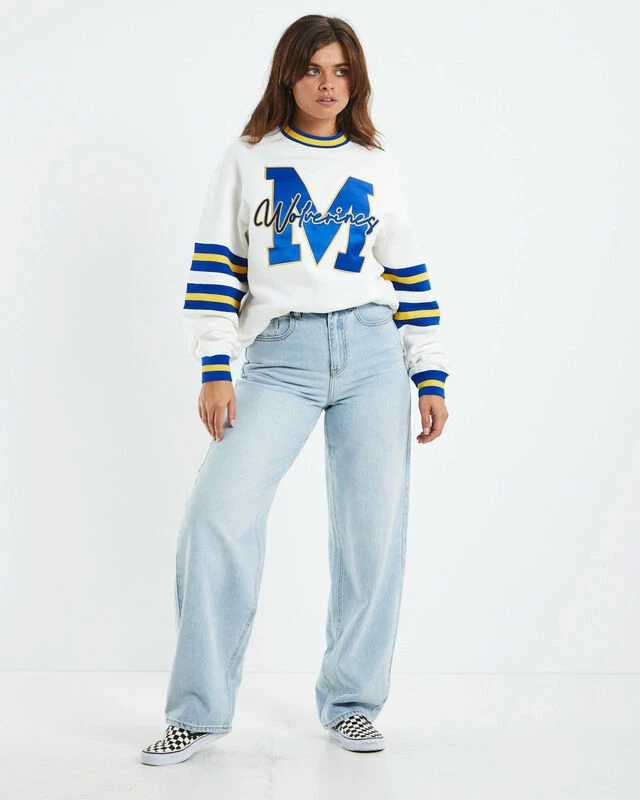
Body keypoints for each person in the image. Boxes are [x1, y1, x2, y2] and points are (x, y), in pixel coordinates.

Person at [139, 13, 451, 766]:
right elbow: (216, 268)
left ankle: (352, 704)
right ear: (288, 75)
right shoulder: (248, 158)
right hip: (280, 355)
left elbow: (410, 273)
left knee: (372, 536)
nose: (327, 84)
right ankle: (198, 712)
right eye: (313, 69)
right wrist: (216, 367)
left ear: (356, 81)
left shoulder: (375, 163)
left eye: (341, 71)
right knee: (217, 514)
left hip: (372, 353)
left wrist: (429, 371)